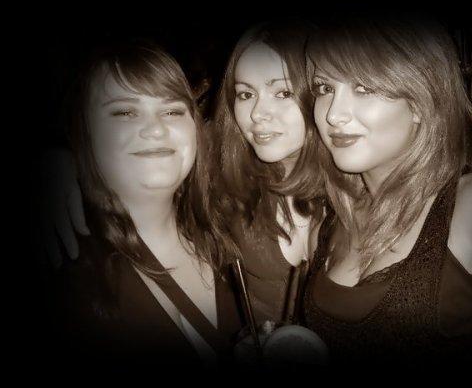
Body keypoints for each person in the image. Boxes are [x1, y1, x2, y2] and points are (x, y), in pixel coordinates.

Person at [301, 16, 472, 367]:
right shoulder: (334, 218)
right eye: (324, 88)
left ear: (422, 103)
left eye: (364, 88)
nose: (334, 115)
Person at [47, 41, 242, 368]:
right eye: (125, 112)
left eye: (173, 111)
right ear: (85, 132)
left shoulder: (228, 237)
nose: (156, 129)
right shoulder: (63, 264)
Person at [208, 21, 328, 327]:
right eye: (245, 94)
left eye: (283, 92)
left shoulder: (362, 185)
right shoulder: (224, 181)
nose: (257, 113)